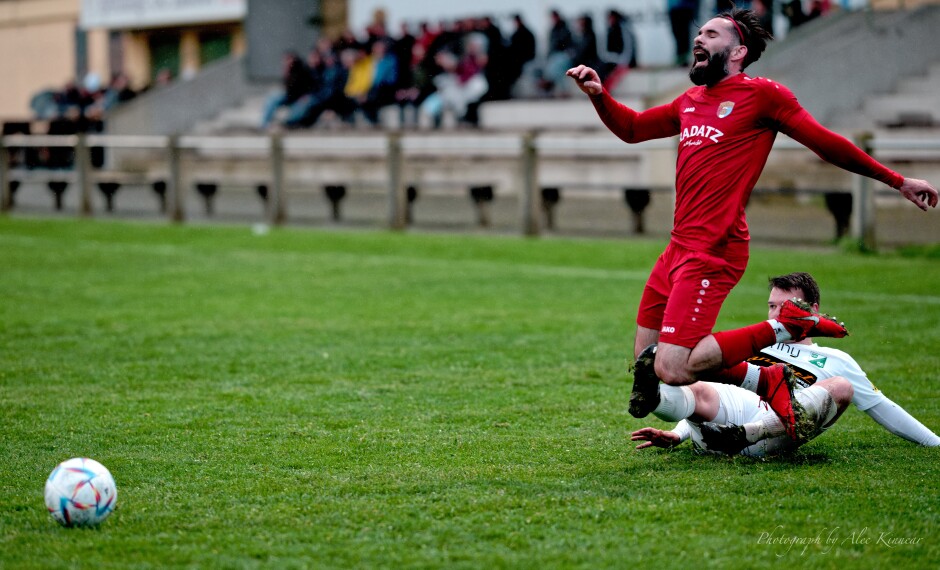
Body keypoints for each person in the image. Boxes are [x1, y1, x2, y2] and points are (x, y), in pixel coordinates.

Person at [566, 8, 939, 435]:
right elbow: (632, 129)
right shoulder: (688, 102)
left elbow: (826, 143)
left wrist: (896, 180)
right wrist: (598, 94)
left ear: (739, 51)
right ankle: (767, 379)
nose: (699, 38)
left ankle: (784, 326)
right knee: (646, 360)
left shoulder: (764, 95)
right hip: (677, 248)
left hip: (715, 249)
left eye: (711, 33)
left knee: (672, 367)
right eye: (698, 32)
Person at [694, 272, 940, 451]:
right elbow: (713, 391)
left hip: (767, 437)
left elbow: (882, 407)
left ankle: (748, 433)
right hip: (712, 434)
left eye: (786, 307)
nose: (777, 315)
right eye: (772, 306)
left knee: (841, 386)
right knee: (686, 360)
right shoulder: (754, 343)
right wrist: (678, 434)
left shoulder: (836, 360)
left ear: (813, 310)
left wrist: (934, 442)